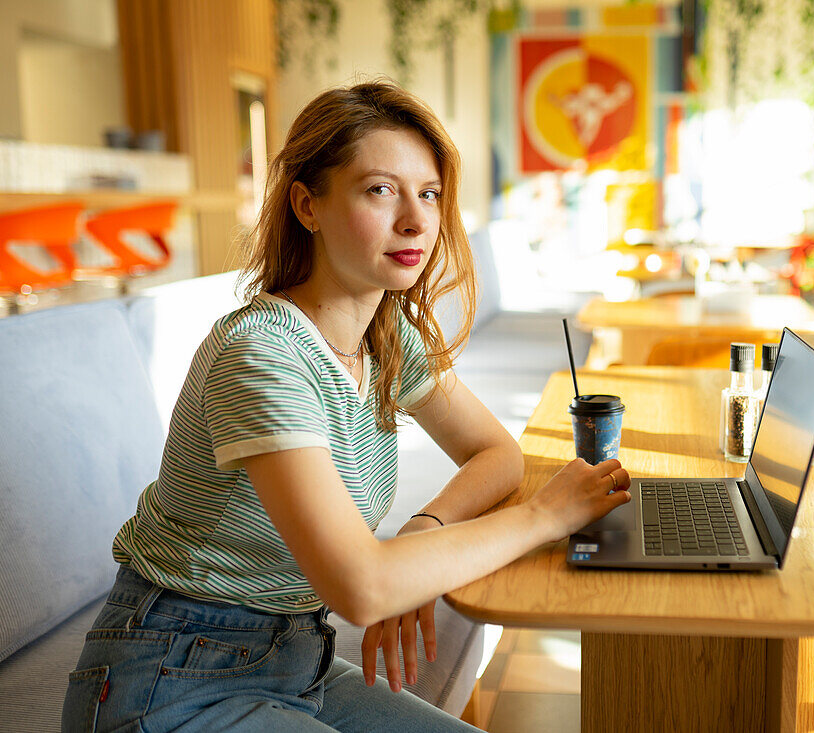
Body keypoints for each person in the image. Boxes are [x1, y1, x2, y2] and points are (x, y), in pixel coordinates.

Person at [62, 79, 631, 732]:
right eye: (380, 189)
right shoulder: (262, 355)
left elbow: (495, 452)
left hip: (295, 660)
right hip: (167, 679)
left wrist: (427, 528)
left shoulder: (388, 336)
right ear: (308, 205)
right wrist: (543, 516)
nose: (417, 219)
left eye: (430, 193)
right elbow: (364, 588)